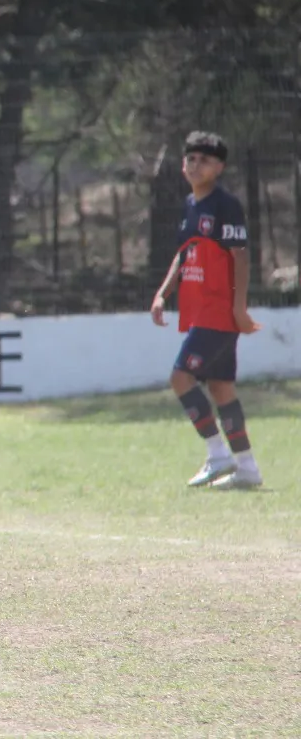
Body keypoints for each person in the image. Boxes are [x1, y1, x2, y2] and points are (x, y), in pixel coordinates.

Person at [150, 131, 264, 490]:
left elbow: (240, 258)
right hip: (202, 311)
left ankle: (218, 455)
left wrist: (239, 308)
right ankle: (247, 468)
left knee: (180, 378)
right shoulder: (190, 204)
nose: (196, 165)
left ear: (220, 168)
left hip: (220, 311)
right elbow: (185, 254)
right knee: (220, 387)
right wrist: (163, 293)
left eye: (205, 160)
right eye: (191, 159)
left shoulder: (224, 205)